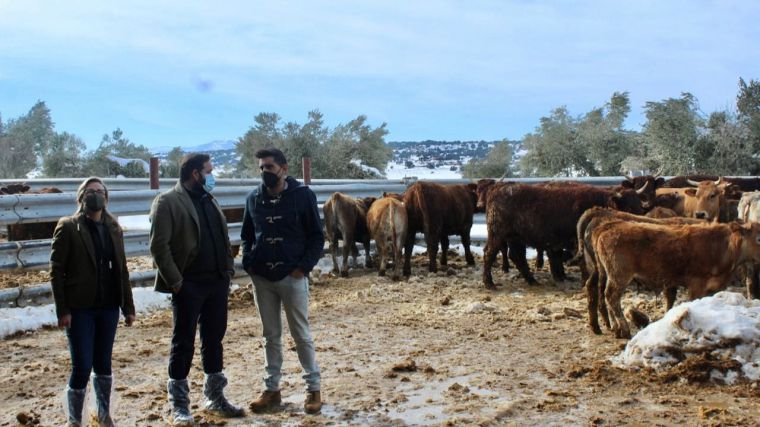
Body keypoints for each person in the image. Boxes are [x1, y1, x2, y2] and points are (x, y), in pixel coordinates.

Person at [149, 153, 244, 426]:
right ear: (195, 174)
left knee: (214, 340)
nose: (212, 176)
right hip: (188, 284)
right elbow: (159, 246)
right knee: (183, 343)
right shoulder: (168, 201)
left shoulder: (208, 199)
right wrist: (176, 282)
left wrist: (227, 270)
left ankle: (215, 398)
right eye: (209, 171)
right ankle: (179, 404)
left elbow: (223, 237)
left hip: (216, 282)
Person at [241, 148, 325, 414]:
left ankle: (313, 388)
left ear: (283, 168)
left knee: (301, 333)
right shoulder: (253, 198)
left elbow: (316, 237)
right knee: (270, 335)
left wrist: (302, 268)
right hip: (262, 277)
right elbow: (247, 235)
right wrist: (250, 263)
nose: (265, 172)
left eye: (269, 167)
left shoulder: (302, 196)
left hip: (292, 275)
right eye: (261, 168)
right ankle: (272, 390)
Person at [50, 177, 136, 427]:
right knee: (82, 365)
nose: (95, 195)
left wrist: (128, 307)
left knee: (103, 363)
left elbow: (122, 269)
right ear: (81, 197)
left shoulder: (113, 227)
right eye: (90, 191)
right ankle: (75, 419)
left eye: (100, 191)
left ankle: (103, 414)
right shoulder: (68, 226)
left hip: (108, 306)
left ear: (106, 197)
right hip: (80, 308)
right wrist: (62, 309)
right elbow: (56, 271)